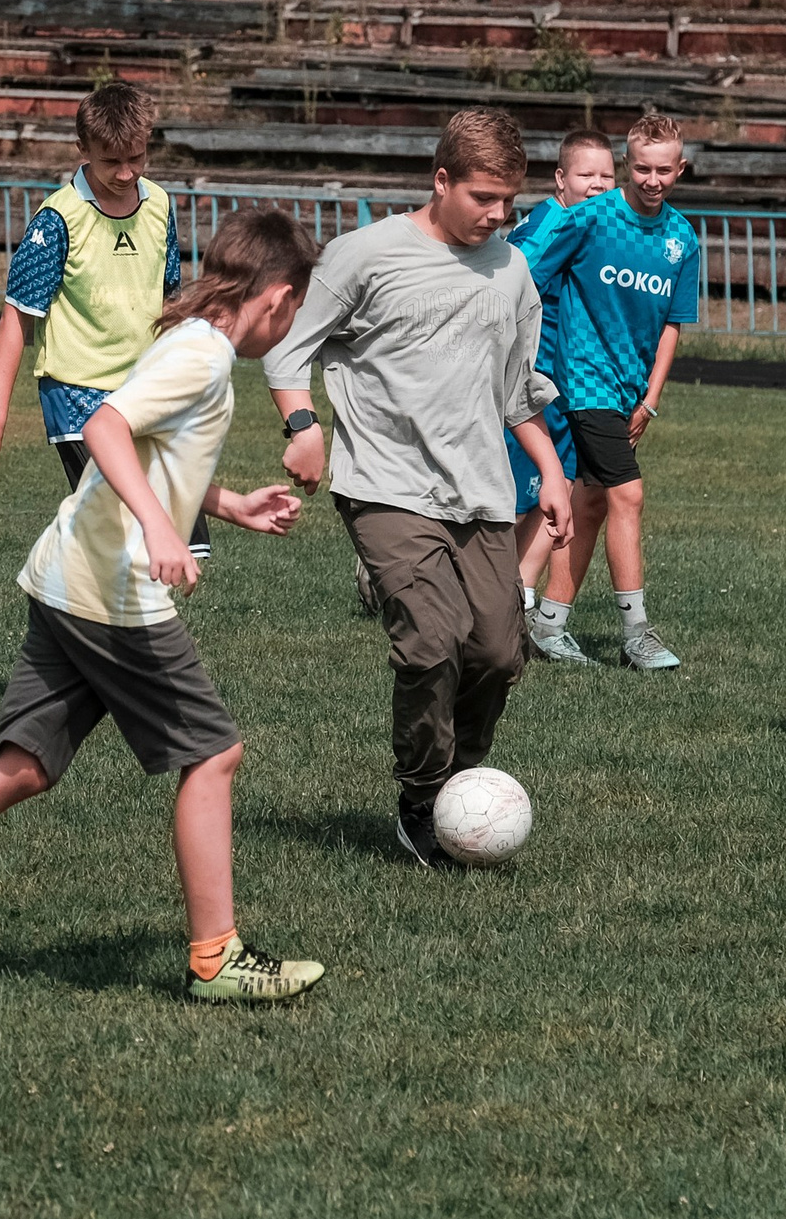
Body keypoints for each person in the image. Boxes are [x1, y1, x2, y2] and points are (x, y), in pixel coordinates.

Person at [0, 211, 327, 1001]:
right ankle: (217, 958)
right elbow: (105, 425)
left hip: (68, 580)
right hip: (112, 595)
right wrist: (159, 525)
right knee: (214, 752)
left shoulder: (191, 343)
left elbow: (151, 451)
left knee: (22, 765)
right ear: (280, 299)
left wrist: (224, 505)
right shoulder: (201, 354)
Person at [266, 110, 573, 870]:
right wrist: (302, 424)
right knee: (431, 641)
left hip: (481, 491)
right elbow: (285, 347)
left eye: (509, 200)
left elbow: (514, 388)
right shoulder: (363, 256)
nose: (499, 214)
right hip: (384, 481)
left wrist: (555, 470)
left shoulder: (512, 270)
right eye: (482, 197)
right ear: (440, 181)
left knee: (500, 653)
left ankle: (461, 785)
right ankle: (421, 799)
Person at [0, 81, 210, 558]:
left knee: (179, 544)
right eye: (111, 160)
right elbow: (17, 316)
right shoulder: (57, 219)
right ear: (83, 149)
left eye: (136, 158)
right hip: (78, 395)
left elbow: (168, 298)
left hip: (146, 392)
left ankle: (86, 621)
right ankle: (73, 614)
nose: (125, 172)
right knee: (127, 537)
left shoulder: (158, 203)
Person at [521, 114, 701, 670]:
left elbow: (673, 322)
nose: (652, 180)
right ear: (627, 165)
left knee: (593, 503)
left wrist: (650, 397)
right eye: (642, 168)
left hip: (628, 391)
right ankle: (637, 635)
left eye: (664, 170)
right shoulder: (592, 218)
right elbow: (528, 274)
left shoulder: (681, 238)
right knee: (628, 494)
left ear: (681, 168)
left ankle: (547, 626)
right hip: (582, 381)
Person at [506, 129, 615, 649]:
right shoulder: (552, 224)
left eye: (606, 176)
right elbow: (512, 280)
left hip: (569, 387)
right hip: (529, 388)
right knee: (516, 501)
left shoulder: (595, 226)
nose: (597, 186)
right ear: (560, 179)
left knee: (556, 496)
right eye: (585, 176)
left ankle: (516, 606)